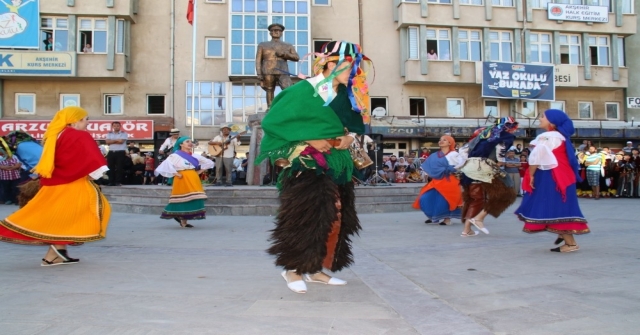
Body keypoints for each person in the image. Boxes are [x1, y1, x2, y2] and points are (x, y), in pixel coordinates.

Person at [257, 40, 372, 294]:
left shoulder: (347, 95)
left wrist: (349, 137)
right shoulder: (301, 91)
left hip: (337, 162)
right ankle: (293, 269)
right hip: (306, 161)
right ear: (330, 63)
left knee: (336, 216)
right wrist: (309, 137)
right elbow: (274, 122)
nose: (355, 73)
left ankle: (316, 269)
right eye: (350, 67)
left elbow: (353, 126)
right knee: (306, 215)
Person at [0, 106, 111, 266]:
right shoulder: (79, 135)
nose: (88, 123)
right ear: (76, 120)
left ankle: (57, 254)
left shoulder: (54, 134)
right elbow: (91, 156)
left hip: (53, 182)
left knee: (59, 215)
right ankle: (56, 252)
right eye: (86, 119)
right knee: (91, 210)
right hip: (72, 182)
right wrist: (101, 172)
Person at [515, 109, 589, 253]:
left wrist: (531, 175)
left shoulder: (548, 136)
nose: (540, 119)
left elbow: (537, 157)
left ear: (552, 122)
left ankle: (571, 243)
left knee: (556, 207)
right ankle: (563, 235)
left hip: (552, 176)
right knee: (560, 205)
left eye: (543, 117)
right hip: (563, 176)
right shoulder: (560, 136)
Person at [459, 117, 519, 237]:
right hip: (484, 167)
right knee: (507, 194)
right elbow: (501, 147)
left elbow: (462, 150)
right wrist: (500, 161)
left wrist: (468, 163)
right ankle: (479, 219)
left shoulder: (483, 135)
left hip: (469, 168)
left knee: (476, 199)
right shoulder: (505, 135)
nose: (514, 130)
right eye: (514, 126)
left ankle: (467, 230)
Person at [155, 137, 213, 228]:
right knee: (182, 198)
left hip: (193, 177)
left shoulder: (194, 156)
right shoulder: (175, 155)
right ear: (181, 144)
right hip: (182, 178)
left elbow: (209, 163)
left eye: (190, 141)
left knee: (194, 198)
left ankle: (184, 221)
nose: (190, 143)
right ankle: (182, 220)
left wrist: (199, 171)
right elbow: (164, 165)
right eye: (187, 141)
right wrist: (175, 173)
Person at [413, 135, 464, 226]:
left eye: (444, 140)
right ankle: (433, 216)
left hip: (449, 180)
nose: (441, 141)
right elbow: (427, 166)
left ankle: (447, 220)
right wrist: (432, 173)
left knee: (445, 200)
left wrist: (453, 169)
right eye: (440, 140)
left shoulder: (454, 154)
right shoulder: (434, 155)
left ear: (450, 143)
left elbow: (461, 164)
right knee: (424, 197)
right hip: (436, 180)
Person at [255, 23, 300, 108]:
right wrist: (259, 74)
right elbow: (258, 60)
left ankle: (289, 107)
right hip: (268, 70)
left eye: (278, 30)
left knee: (288, 88)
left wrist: (284, 54)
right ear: (270, 33)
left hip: (283, 70)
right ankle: (270, 108)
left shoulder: (288, 45)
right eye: (273, 30)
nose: (276, 32)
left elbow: (296, 57)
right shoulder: (263, 45)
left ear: (281, 33)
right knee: (269, 89)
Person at [105, 121, 128, 186]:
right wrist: (116, 140)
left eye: (117, 126)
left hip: (120, 152)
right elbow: (107, 142)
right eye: (114, 126)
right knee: (110, 167)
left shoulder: (124, 133)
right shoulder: (109, 133)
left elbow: (121, 141)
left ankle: (118, 182)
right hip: (111, 151)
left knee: (119, 167)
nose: (116, 127)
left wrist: (112, 141)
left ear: (120, 126)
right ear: (112, 126)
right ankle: (111, 181)